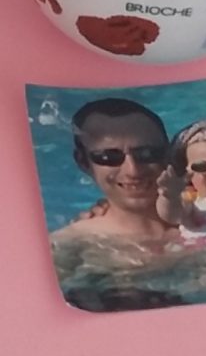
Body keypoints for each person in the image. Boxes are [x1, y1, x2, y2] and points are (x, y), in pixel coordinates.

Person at [49, 98, 184, 253]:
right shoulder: (68, 246)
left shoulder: (205, 215)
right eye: (109, 157)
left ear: (169, 154)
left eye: (147, 153)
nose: (133, 171)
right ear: (83, 162)